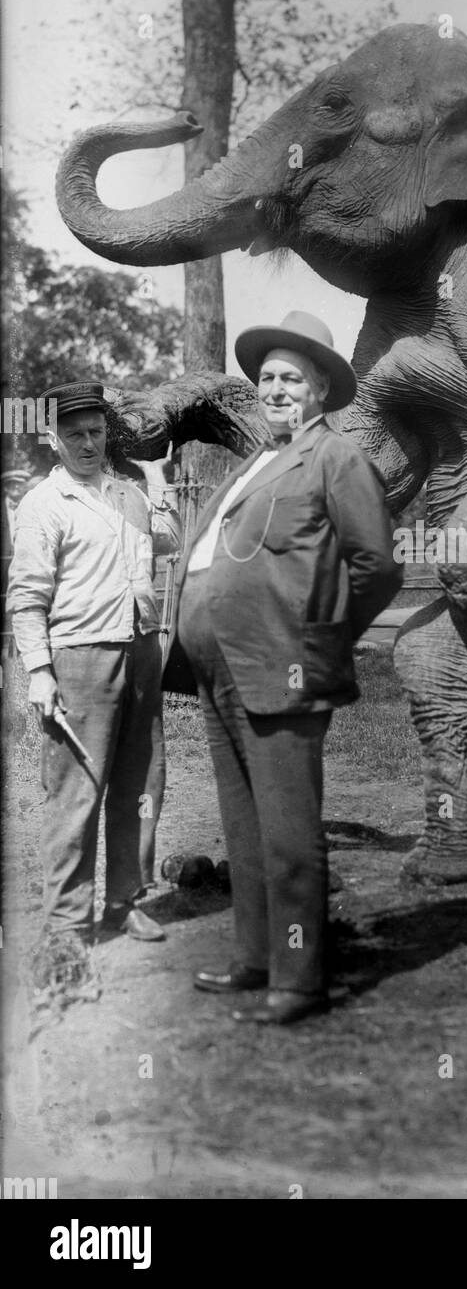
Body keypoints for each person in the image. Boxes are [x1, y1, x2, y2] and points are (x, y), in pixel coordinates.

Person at [164, 311, 402, 1026]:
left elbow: (377, 565)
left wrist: (316, 641)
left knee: (290, 832)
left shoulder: (336, 459)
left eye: (290, 377)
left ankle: (299, 980)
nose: (274, 388)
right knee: (242, 825)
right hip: (218, 666)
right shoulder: (257, 462)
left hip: (281, 669)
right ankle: (255, 958)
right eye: (266, 377)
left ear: (321, 389)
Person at [7, 382, 181, 945]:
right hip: (80, 656)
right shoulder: (43, 504)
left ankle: (125, 901)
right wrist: (38, 672)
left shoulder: (127, 494)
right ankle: (66, 922)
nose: (88, 444)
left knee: (140, 784)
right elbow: (27, 597)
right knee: (75, 790)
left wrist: (157, 484)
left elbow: (169, 542)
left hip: (141, 649)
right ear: (53, 439)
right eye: (75, 434)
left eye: (97, 432)